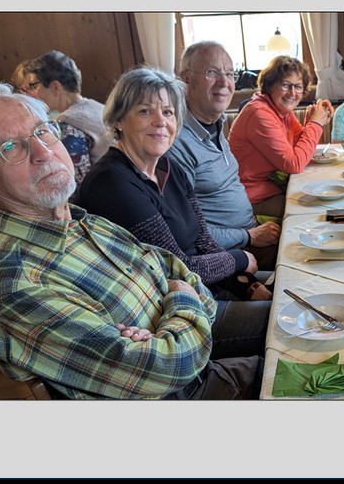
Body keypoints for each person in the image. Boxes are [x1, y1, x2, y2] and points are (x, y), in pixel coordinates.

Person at [0, 83, 263, 399]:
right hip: (185, 392)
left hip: (196, 340)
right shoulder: (11, 283)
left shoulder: (80, 221)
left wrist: (179, 312)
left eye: (42, 131)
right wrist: (182, 301)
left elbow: (174, 267)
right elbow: (164, 367)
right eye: (10, 147)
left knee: (288, 328)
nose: (43, 152)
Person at [73, 65, 274, 314]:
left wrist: (247, 286)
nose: (161, 122)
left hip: (204, 287)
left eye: (168, 112)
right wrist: (239, 259)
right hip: (164, 311)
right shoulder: (111, 182)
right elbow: (177, 267)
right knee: (277, 318)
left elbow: (203, 242)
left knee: (285, 285)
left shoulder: (169, 167)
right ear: (118, 120)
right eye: (145, 111)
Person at [170, 41, 280, 269]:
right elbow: (188, 233)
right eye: (212, 72)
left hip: (251, 232)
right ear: (185, 79)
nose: (224, 82)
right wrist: (248, 236)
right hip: (231, 253)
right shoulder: (177, 143)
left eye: (229, 74)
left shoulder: (215, 124)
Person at [228, 55, 334, 219]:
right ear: (270, 85)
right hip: (252, 198)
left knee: (326, 196)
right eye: (285, 85)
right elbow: (294, 164)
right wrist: (315, 124)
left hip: (274, 188)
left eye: (298, 87)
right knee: (315, 209)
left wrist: (311, 120)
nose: (292, 93)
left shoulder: (281, 110)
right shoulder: (259, 113)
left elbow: (300, 149)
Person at [24, 50, 111, 185]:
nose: (31, 93)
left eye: (33, 86)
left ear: (55, 87)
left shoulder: (69, 126)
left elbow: (75, 183)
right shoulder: (98, 107)